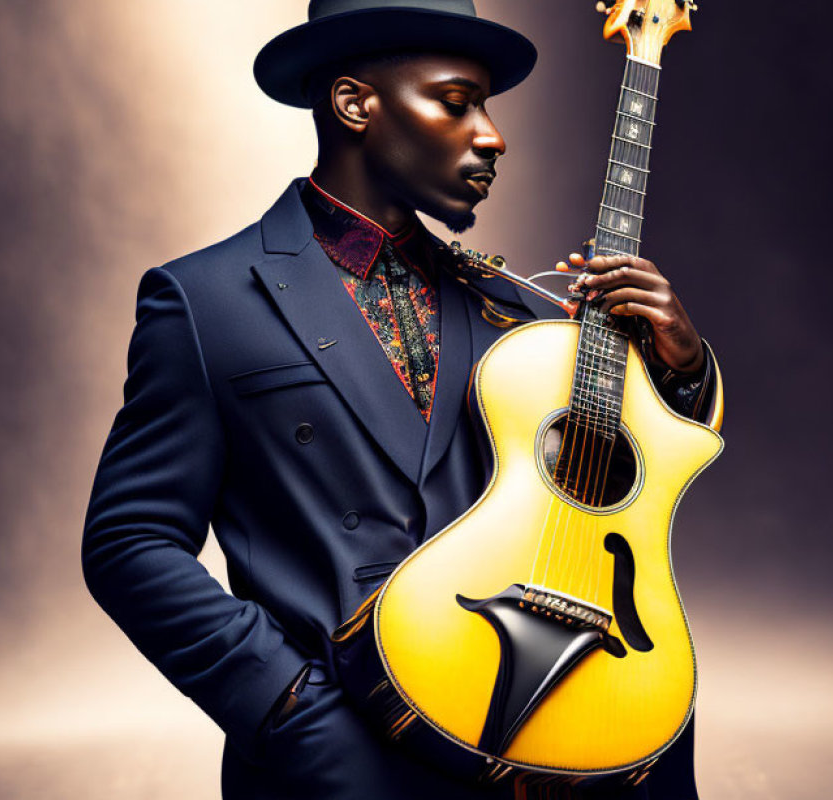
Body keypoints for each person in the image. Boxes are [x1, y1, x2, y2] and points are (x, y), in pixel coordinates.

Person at [82, 2, 721, 798]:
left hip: (557, 720)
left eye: (488, 106)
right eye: (458, 102)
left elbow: (613, 484)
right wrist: (287, 706)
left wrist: (680, 363)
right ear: (355, 104)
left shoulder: (518, 312)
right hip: (346, 746)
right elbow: (130, 541)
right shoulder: (206, 301)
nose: (492, 134)